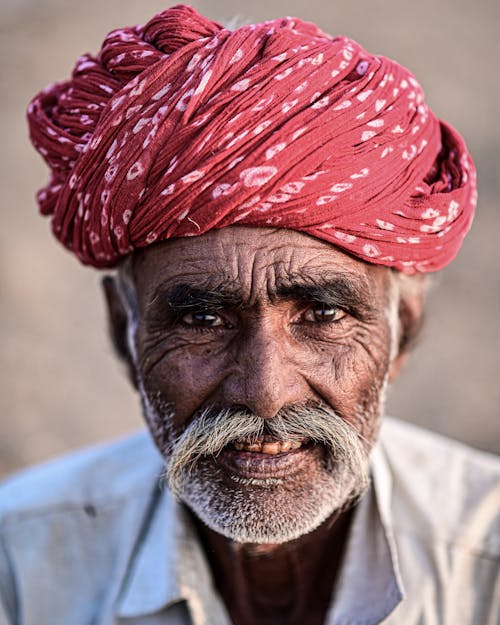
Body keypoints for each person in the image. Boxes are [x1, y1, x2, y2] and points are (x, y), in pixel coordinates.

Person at [0, 5, 498, 625]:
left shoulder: (487, 565)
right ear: (123, 331)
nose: (265, 392)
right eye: (202, 320)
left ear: (404, 329)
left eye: (322, 313)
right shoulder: (20, 563)